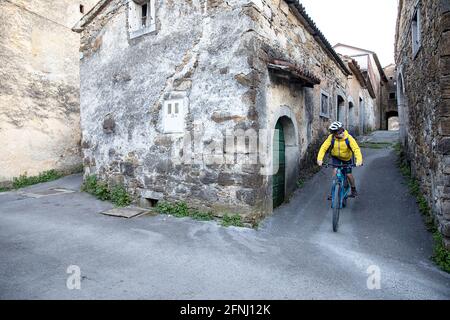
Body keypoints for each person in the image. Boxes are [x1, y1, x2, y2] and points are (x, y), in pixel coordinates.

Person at [317, 121, 363, 198]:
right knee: (335, 172)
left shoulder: (349, 138)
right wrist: (319, 159)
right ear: (334, 133)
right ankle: (333, 192)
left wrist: (359, 160)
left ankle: (353, 189)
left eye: (342, 130)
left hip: (346, 158)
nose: (342, 132)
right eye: (339, 131)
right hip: (336, 157)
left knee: (348, 174)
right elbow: (323, 148)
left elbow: (356, 149)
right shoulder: (331, 138)